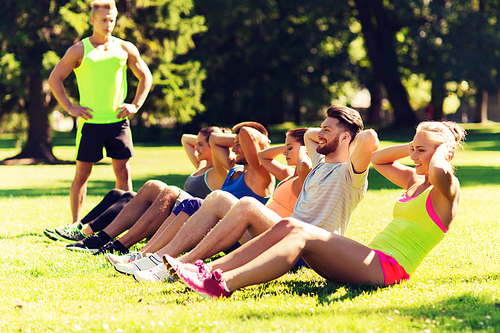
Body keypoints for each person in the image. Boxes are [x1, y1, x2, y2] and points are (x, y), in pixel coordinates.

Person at [167, 120, 465, 298]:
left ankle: (224, 284)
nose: (413, 156)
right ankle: (206, 270)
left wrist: (440, 149)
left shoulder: (446, 189)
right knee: (288, 226)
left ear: (443, 153)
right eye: (413, 149)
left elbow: (439, 170)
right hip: (371, 259)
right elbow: (379, 159)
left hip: (390, 269)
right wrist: (417, 144)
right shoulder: (414, 180)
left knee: (300, 235)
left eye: (420, 151)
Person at [114, 105, 378, 282]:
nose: (319, 134)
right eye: (321, 128)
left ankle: (175, 267)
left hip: (310, 250)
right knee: (217, 198)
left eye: (327, 130)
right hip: (283, 234)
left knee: (248, 205)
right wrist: (328, 132)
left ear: (345, 139)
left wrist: (349, 132)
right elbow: (310, 135)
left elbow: (369, 139)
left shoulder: (351, 174)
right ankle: (156, 259)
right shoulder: (320, 164)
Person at [108, 128, 312, 279]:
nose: (285, 152)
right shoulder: (285, 175)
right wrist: (290, 145)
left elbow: (293, 161)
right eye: (284, 147)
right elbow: (263, 155)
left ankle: (164, 261)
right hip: (249, 231)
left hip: (273, 238)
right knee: (195, 203)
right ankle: (152, 257)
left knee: (211, 199)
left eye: (290, 148)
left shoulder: (303, 177)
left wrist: (306, 145)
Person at [66, 122, 275, 254]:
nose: (234, 147)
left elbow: (243, 135)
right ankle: (105, 239)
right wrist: (239, 139)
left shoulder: (261, 173)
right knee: (152, 186)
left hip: (228, 230)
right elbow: (213, 140)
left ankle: (120, 245)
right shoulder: (234, 170)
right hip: (206, 218)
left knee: (170, 191)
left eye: (240, 144)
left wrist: (258, 139)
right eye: (233, 142)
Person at [48, 0, 153, 225]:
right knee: (83, 174)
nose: (108, 24)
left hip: (118, 122)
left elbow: (146, 76)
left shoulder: (125, 48)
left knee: (123, 172)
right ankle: (75, 223)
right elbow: (54, 78)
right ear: (92, 20)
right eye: (104, 20)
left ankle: (125, 221)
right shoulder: (79, 50)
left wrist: (135, 105)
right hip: (90, 123)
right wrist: (69, 107)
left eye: (112, 20)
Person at [44, 126, 227, 244]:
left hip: (181, 218)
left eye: (201, 144)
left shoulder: (219, 172)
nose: (196, 147)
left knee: (131, 196)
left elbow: (210, 143)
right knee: (118, 193)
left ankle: (86, 232)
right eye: (197, 143)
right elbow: (185, 138)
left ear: (214, 147)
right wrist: (204, 140)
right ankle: (80, 227)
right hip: (173, 209)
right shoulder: (201, 166)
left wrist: (216, 138)